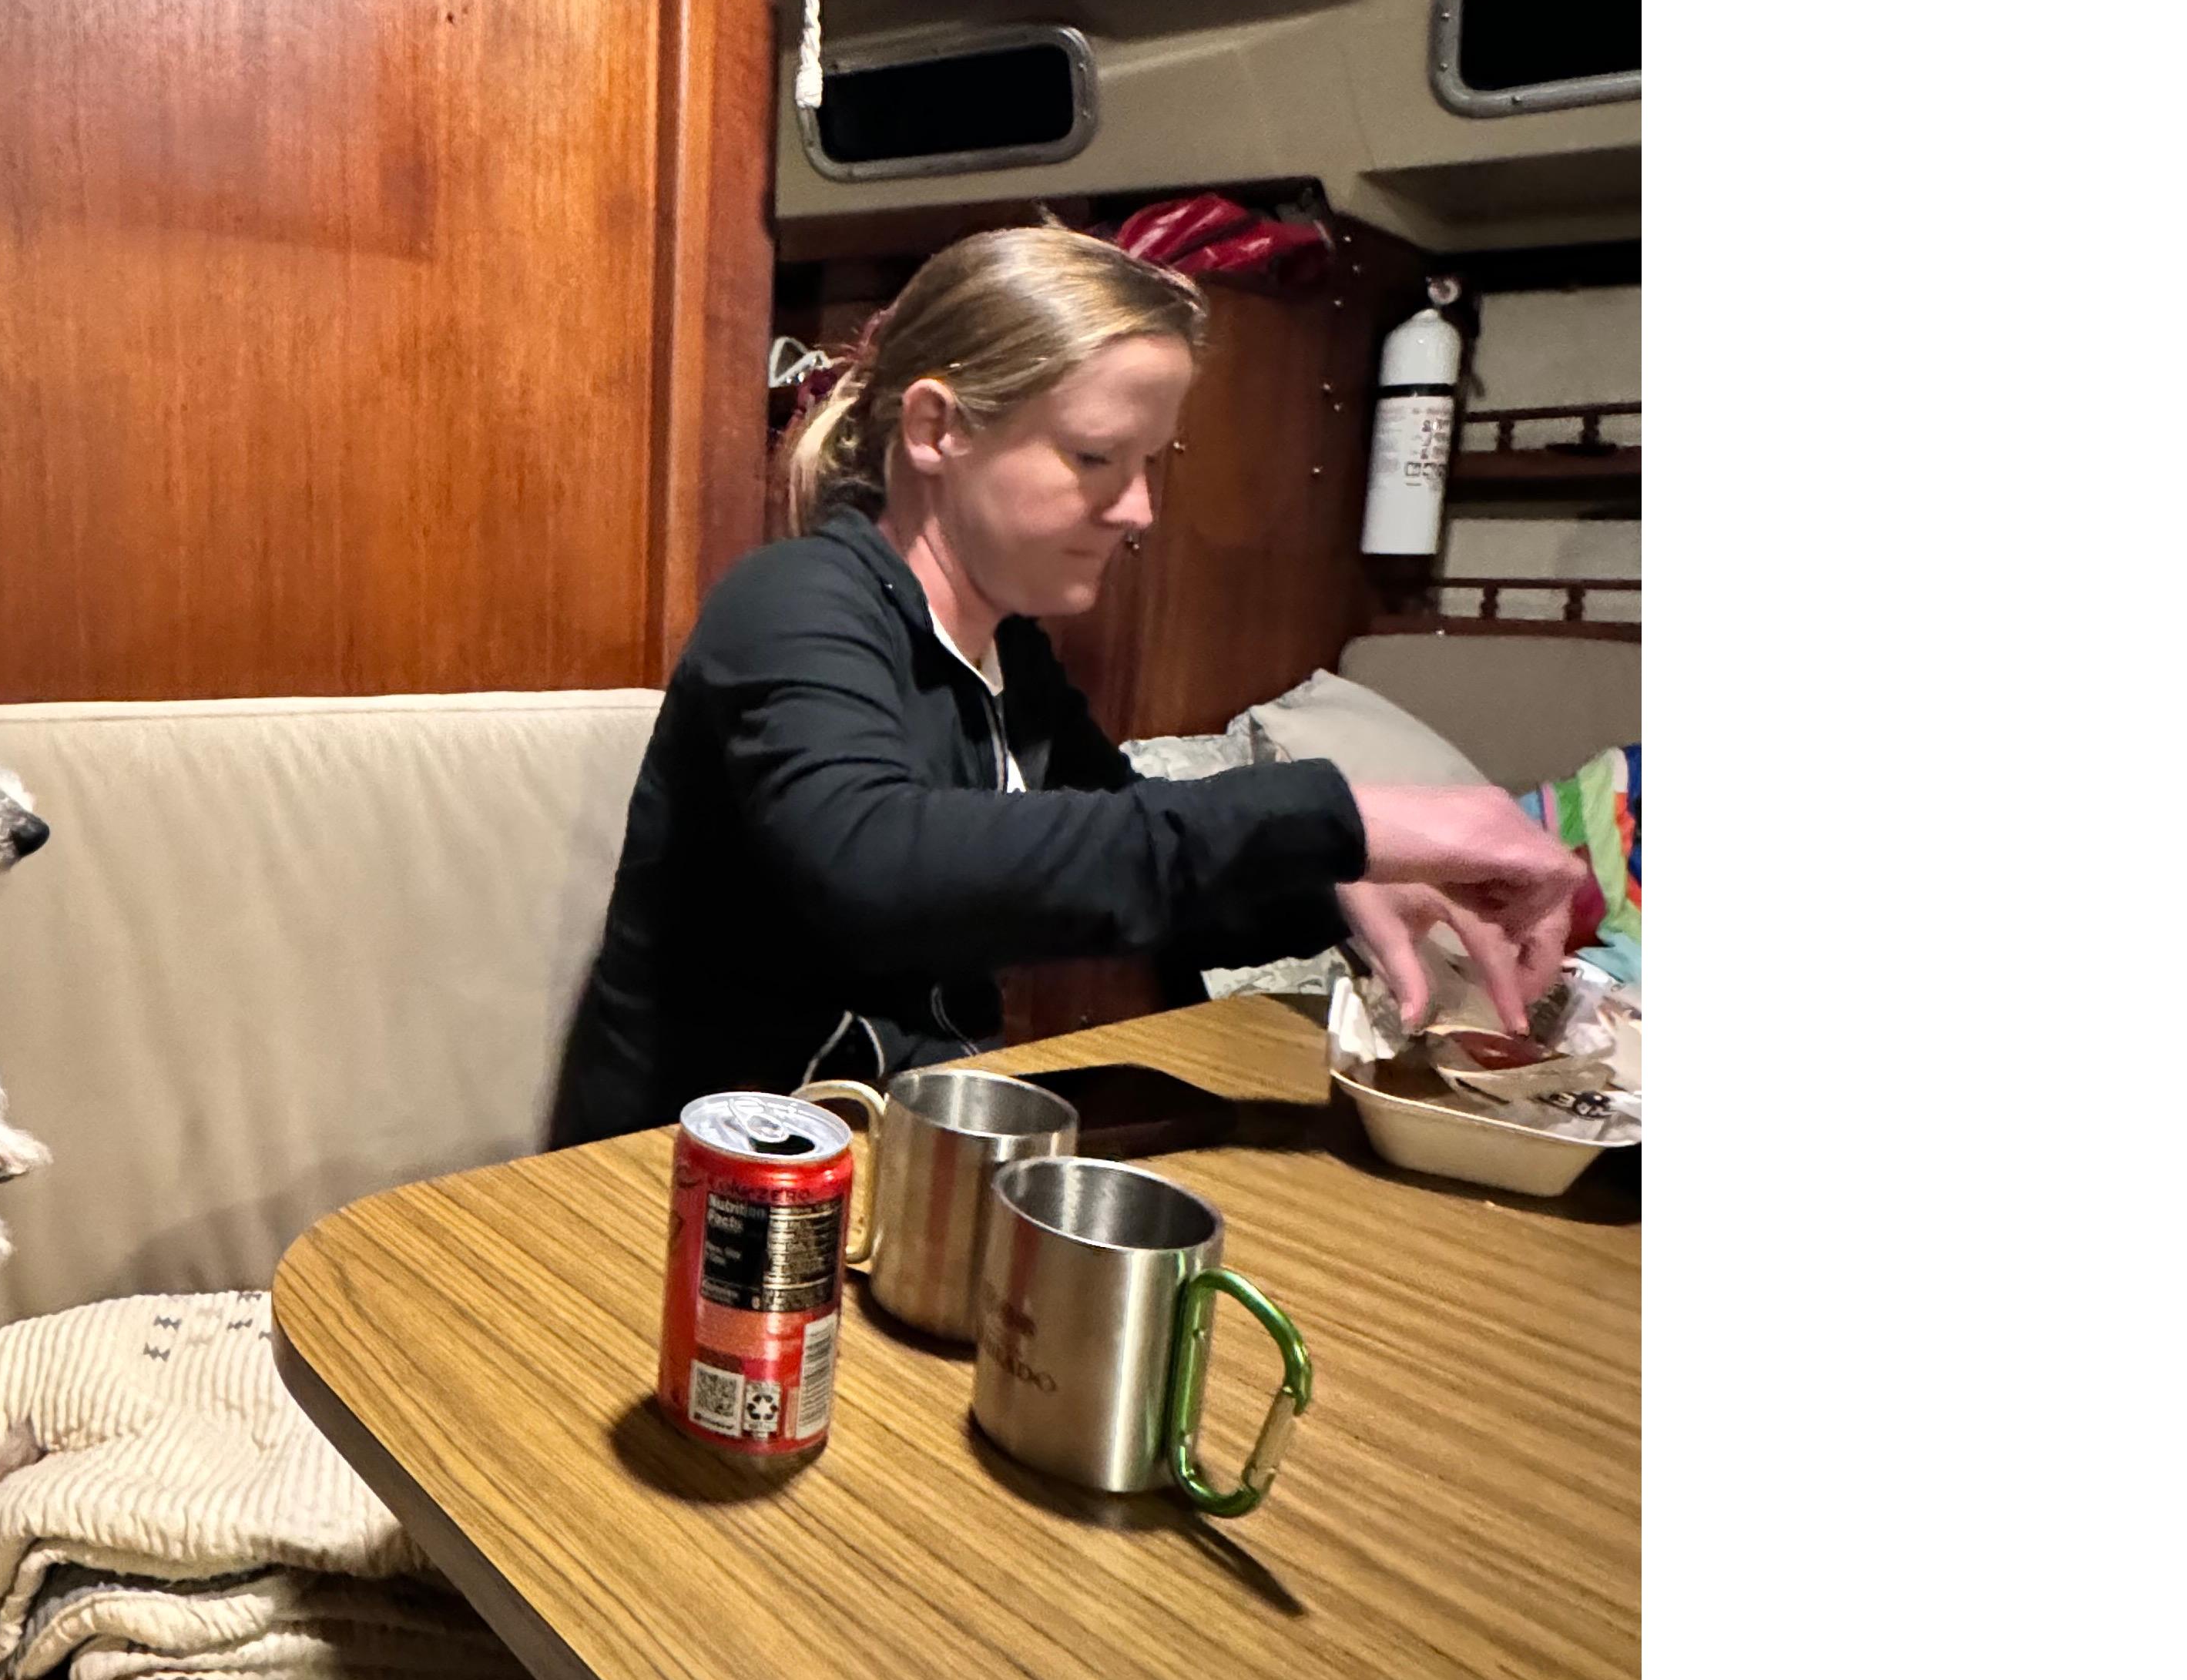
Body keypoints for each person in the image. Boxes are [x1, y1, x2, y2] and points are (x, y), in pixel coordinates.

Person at [548, 223, 1601, 1147]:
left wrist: (1337, 883)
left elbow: (1125, 854)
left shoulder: (1014, 657)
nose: (1139, 508)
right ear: (936, 430)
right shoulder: (794, 605)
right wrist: (1342, 812)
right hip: (685, 1185)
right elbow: (870, 864)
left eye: (1150, 462)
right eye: (1096, 456)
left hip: (885, 1163)